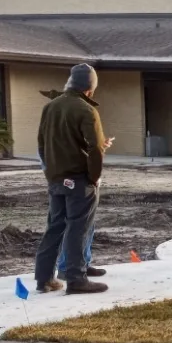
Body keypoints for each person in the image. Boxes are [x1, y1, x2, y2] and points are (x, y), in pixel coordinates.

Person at [34, 63, 111, 295]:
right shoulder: (86, 110)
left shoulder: (51, 107)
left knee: (55, 227)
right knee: (78, 227)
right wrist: (94, 177)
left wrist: (51, 173)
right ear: (90, 88)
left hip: (56, 178)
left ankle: (44, 278)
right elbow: (96, 147)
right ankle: (76, 279)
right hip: (79, 180)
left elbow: (41, 142)